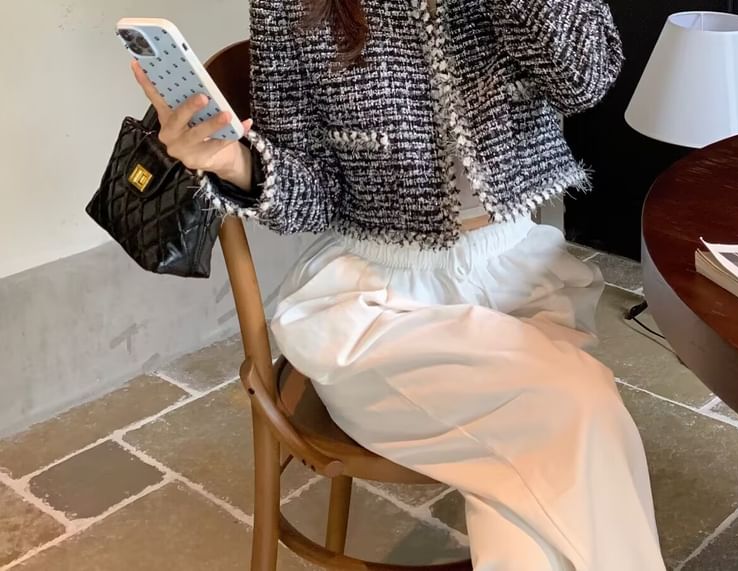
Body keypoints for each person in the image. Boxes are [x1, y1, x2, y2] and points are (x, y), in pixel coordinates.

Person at [133, 0, 665, 568]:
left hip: (521, 281)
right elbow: (315, 191)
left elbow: (584, 79)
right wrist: (236, 165)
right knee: (576, 409)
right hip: (381, 310)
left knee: (546, 466)